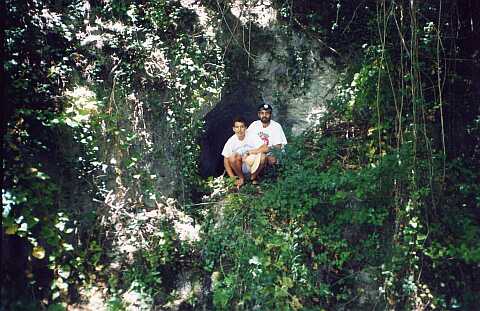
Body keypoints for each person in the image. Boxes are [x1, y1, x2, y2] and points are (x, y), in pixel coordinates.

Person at [222, 116, 268, 188]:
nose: (239, 130)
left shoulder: (252, 136)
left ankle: (253, 177)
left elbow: (265, 148)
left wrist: (250, 152)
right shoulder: (231, 141)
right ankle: (242, 178)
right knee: (232, 156)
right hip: (240, 168)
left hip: (253, 165)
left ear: (246, 128)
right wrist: (232, 178)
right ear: (233, 129)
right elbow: (225, 161)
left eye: (242, 127)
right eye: (237, 127)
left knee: (263, 156)